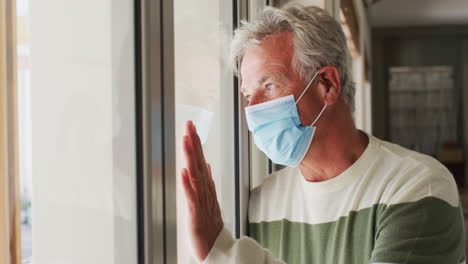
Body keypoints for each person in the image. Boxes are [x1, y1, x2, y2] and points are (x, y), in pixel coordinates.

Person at [181, 3, 466, 264]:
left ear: (327, 84)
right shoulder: (260, 203)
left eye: (270, 86)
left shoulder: (418, 188)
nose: (252, 110)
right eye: (247, 95)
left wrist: (222, 252)